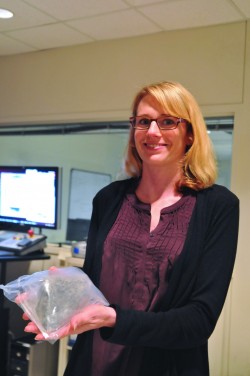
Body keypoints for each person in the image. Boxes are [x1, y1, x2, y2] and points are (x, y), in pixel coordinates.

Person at [23, 81, 239, 376]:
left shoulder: (218, 206)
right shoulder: (109, 199)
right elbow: (92, 285)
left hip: (168, 366)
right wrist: (61, 291)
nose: (152, 131)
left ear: (189, 134)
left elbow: (199, 320)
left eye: (167, 121)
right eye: (143, 121)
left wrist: (114, 319)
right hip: (95, 362)